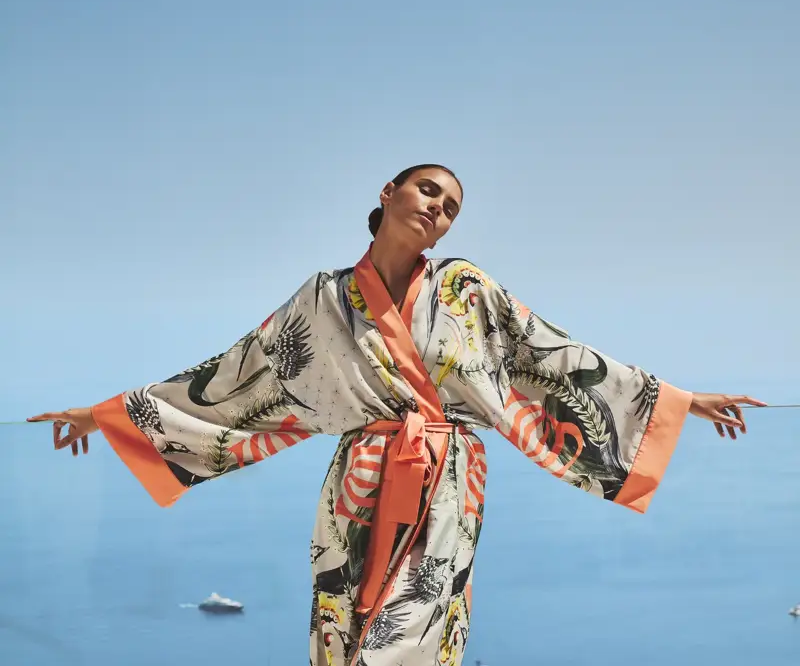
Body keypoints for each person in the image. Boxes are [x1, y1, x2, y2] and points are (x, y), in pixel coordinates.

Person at [29, 164, 765, 666]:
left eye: (450, 208)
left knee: (410, 635)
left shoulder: (468, 289)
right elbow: (238, 377)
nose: (437, 209)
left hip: (448, 484)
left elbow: (553, 356)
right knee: (344, 633)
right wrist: (109, 418)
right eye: (427, 191)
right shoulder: (321, 300)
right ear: (389, 191)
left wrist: (677, 400)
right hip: (359, 482)